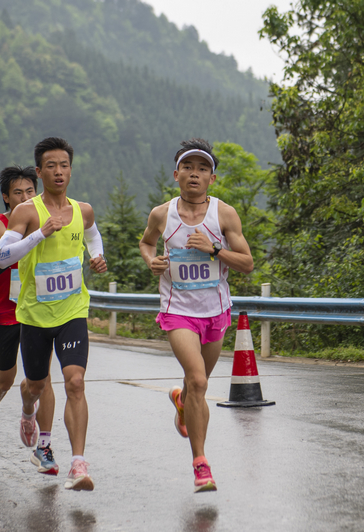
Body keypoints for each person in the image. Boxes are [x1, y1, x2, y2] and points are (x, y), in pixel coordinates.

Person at [139, 138, 254, 492]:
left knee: (194, 388)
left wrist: (215, 248)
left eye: (203, 168)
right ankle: (201, 464)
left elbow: (247, 263)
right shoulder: (163, 214)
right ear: (176, 174)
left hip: (215, 312)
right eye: (188, 167)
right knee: (200, 381)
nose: (194, 174)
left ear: (212, 179)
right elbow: (146, 242)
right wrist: (152, 261)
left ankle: (182, 402)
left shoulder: (224, 214)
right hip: (178, 312)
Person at [0, 137, 107, 491]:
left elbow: (93, 236)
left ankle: (78, 463)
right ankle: (27, 411)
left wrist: (96, 257)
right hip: (34, 315)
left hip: (73, 308)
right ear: (40, 171)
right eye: (52, 166)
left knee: (75, 381)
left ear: (71, 170)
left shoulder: (83, 209)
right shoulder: (26, 212)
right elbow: (1, 256)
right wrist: (38, 235)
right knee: (36, 385)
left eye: (65, 165)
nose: (59, 172)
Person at [0, 165, 59, 476]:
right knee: (5, 380)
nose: (25, 197)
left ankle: (31, 420)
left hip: (37, 311)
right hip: (6, 314)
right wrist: (17, 248)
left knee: (41, 380)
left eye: (30, 191)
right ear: (6, 198)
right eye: (18, 193)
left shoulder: (46, 221)